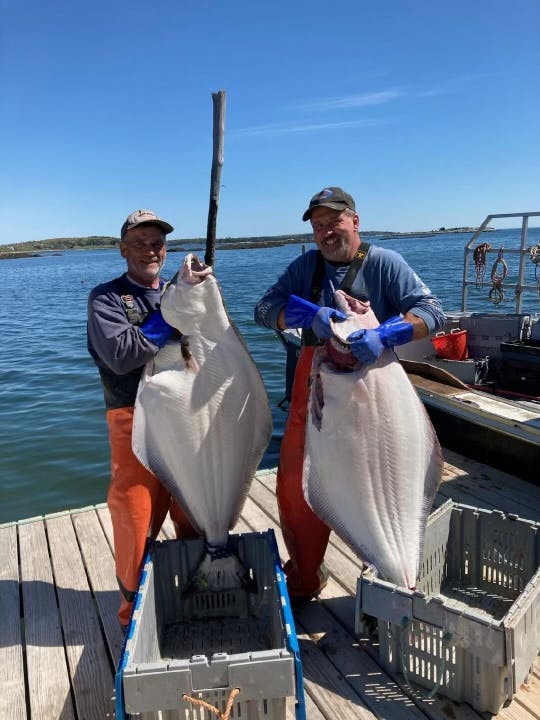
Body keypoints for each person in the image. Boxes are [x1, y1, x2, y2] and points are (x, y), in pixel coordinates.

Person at [254, 187, 445, 606]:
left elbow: (433, 311)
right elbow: (264, 309)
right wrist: (308, 314)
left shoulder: (385, 264)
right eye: (318, 226)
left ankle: (387, 582)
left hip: (376, 406)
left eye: (334, 222)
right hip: (311, 403)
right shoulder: (306, 267)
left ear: (355, 221)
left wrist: (386, 334)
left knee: (379, 488)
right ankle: (305, 577)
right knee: (295, 492)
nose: (326, 232)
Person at [87, 208, 197, 628]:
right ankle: (133, 611)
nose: (149, 250)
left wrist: (200, 300)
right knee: (136, 513)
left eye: (156, 243)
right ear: (122, 250)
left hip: (186, 418)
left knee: (194, 508)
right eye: (139, 243)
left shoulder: (179, 290)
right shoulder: (106, 298)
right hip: (133, 418)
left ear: (165, 251)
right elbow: (121, 355)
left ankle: (199, 582)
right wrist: (168, 318)